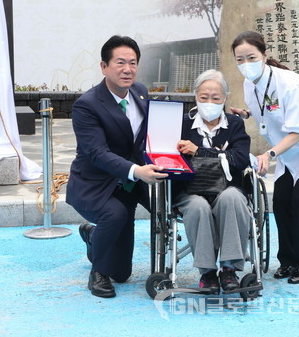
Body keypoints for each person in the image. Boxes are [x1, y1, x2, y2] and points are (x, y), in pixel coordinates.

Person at [230, 31, 299, 284]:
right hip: (288, 147)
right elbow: (269, 111)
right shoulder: (251, 84)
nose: (246, 64)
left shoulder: (289, 82)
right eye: (240, 59)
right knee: (281, 201)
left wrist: (268, 154)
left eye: (251, 57)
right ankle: (288, 261)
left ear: (265, 55)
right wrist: (246, 114)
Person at [66, 35, 168, 298]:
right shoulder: (87, 105)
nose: (127, 69)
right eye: (120, 63)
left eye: (133, 63)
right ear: (104, 67)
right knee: (115, 215)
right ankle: (97, 272)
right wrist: (137, 171)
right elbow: (98, 153)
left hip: (132, 182)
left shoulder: (140, 92)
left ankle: (93, 237)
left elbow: (150, 136)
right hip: (97, 184)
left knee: (122, 274)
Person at [174, 69, 252, 292]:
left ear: (225, 98)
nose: (209, 102)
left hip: (227, 188)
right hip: (190, 191)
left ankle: (229, 269)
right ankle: (207, 273)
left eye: (215, 98)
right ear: (196, 97)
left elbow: (240, 159)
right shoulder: (182, 124)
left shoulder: (235, 125)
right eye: (203, 97)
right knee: (198, 206)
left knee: (233, 199)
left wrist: (199, 152)